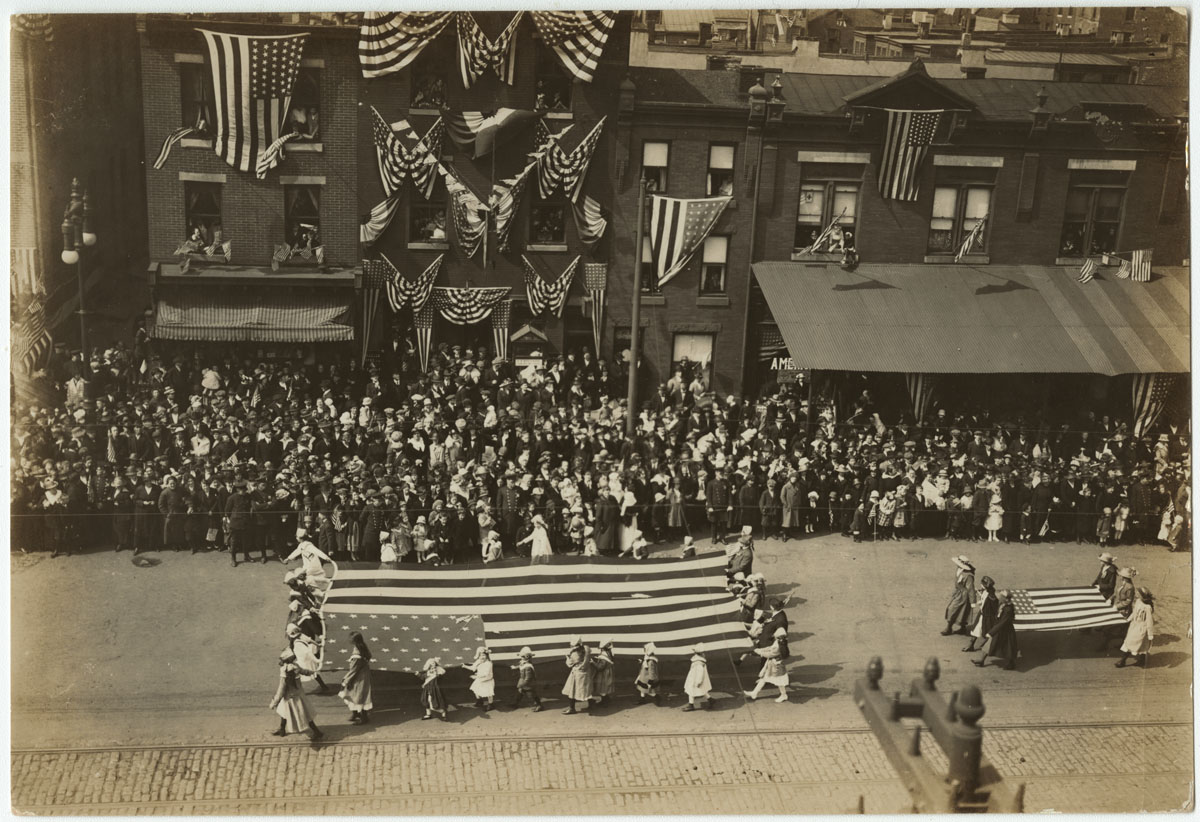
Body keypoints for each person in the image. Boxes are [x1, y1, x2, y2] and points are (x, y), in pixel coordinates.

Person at [269, 650, 323, 740]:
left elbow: (281, 689)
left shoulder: (284, 671)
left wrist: (274, 702)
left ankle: (317, 732)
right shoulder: (295, 666)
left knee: (303, 715)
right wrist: (313, 671)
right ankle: (282, 729)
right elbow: (304, 671)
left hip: (289, 698)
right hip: (298, 695)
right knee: (286, 711)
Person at [973, 590, 1018, 670]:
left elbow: (1002, 623)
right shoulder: (1003, 605)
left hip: (1005, 631)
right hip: (999, 630)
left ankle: (1011, 663)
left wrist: (991, 632)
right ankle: (981, 660)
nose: (999, 598)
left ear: (1005, 598)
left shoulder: (1008, 609)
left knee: (1008, 648)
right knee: (989, 644)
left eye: (1001, 597)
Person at [743, 626, 790, 703]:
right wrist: (760, 650)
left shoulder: (778, 645)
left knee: (779, 682)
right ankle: (754, 693)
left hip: (776, 666)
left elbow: (770, 654)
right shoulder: (780, 642)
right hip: (773, 664)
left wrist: (759, 652)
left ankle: (784, 695)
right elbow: (770, 648)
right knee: (764, 678)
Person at [1115, 587, 1155, 668]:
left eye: (1138, 594)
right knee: (1131, 642)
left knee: (1137, 644)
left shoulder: (1147, 608)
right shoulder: (1138, 602)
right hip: (1134, 626)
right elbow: (1134, 612)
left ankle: (1123, 661)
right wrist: (1128, 619)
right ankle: (1141, 660)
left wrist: (1150, 634)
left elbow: (1149, 621)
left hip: (1141, 628)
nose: (1136, 594)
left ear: (1142, 596)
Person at [339, 632, 373, 725]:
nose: (349, 640)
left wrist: (346, 680)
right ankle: (355, 714)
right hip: (363, 675)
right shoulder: (362, 647)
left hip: (358, 677)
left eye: (350, 638)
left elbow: (354, 670)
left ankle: (363, 717)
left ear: (354, 641)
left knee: (358, 696)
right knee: (357, 695)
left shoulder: (356, 654)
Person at [942, 555, 977, 636]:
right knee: (960, 611)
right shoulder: (959, 570)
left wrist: (973, 601)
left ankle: (949, 628)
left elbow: (971, 588)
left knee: (953, 609)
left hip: (964, 595)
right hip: (958, 593)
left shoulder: (968, 575)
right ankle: (962, 628)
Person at [962, 575, 998, 653]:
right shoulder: (985, 592)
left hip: (988, 617)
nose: (980, 585)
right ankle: (971, 645)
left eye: (982, 584)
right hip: (982, 615)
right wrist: (981, 601)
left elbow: (993, 607)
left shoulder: (992, 597)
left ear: (985, 586)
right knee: (976, 629)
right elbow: (984, 599)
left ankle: (987, 646)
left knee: (988, 632)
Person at [561, 636, 593, 714]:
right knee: (585, 691)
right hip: (585, 673)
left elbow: (569, 664)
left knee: (572, 691)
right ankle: (592, 704)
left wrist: (567, 658)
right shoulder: (585, 650)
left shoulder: (574, 653)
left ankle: (572, 709)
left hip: (577, 674)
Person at [463, 646, 496, 711]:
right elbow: (473, 668)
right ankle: (480, 701)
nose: (482, 657)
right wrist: (464, 666)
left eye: (483, 655)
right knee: (476, 690)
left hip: (487, 680)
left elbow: (485, 673)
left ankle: (490, 704)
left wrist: (476, 676)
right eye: (480, 655)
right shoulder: (478, 661)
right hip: (480, 679)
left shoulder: (489, 663)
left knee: (489, 694)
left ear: (486, 655)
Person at [682, 645, 713, 711]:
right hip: (693, 678)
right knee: (702, 690)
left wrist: (699, 681)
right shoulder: (697, 660)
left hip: (695, 680)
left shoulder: (698, 662)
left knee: (691, 691)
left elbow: (700, 673)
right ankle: (710, 699)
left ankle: (691, 705)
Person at [512, 646, 543, 711]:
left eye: (522, 657)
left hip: (528, 684)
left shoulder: (528, 666)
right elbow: (520, 666)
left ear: (527, 658)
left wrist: (522, 685)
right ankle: (516, 704)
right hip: (523, 682)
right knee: (520, 693)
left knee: (532, 695)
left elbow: (528, 678)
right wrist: (515, 667)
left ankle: (539, 705)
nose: (521, 658)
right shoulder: (523, 664)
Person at [590, 639, 615, 706]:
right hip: (608, 672)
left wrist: (593, 663)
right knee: (605, 688)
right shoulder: (610, 653)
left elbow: (600, 667)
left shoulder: (603, 656)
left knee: (602, 688)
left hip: (604, 674)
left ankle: (605, 702)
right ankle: (606, 700)